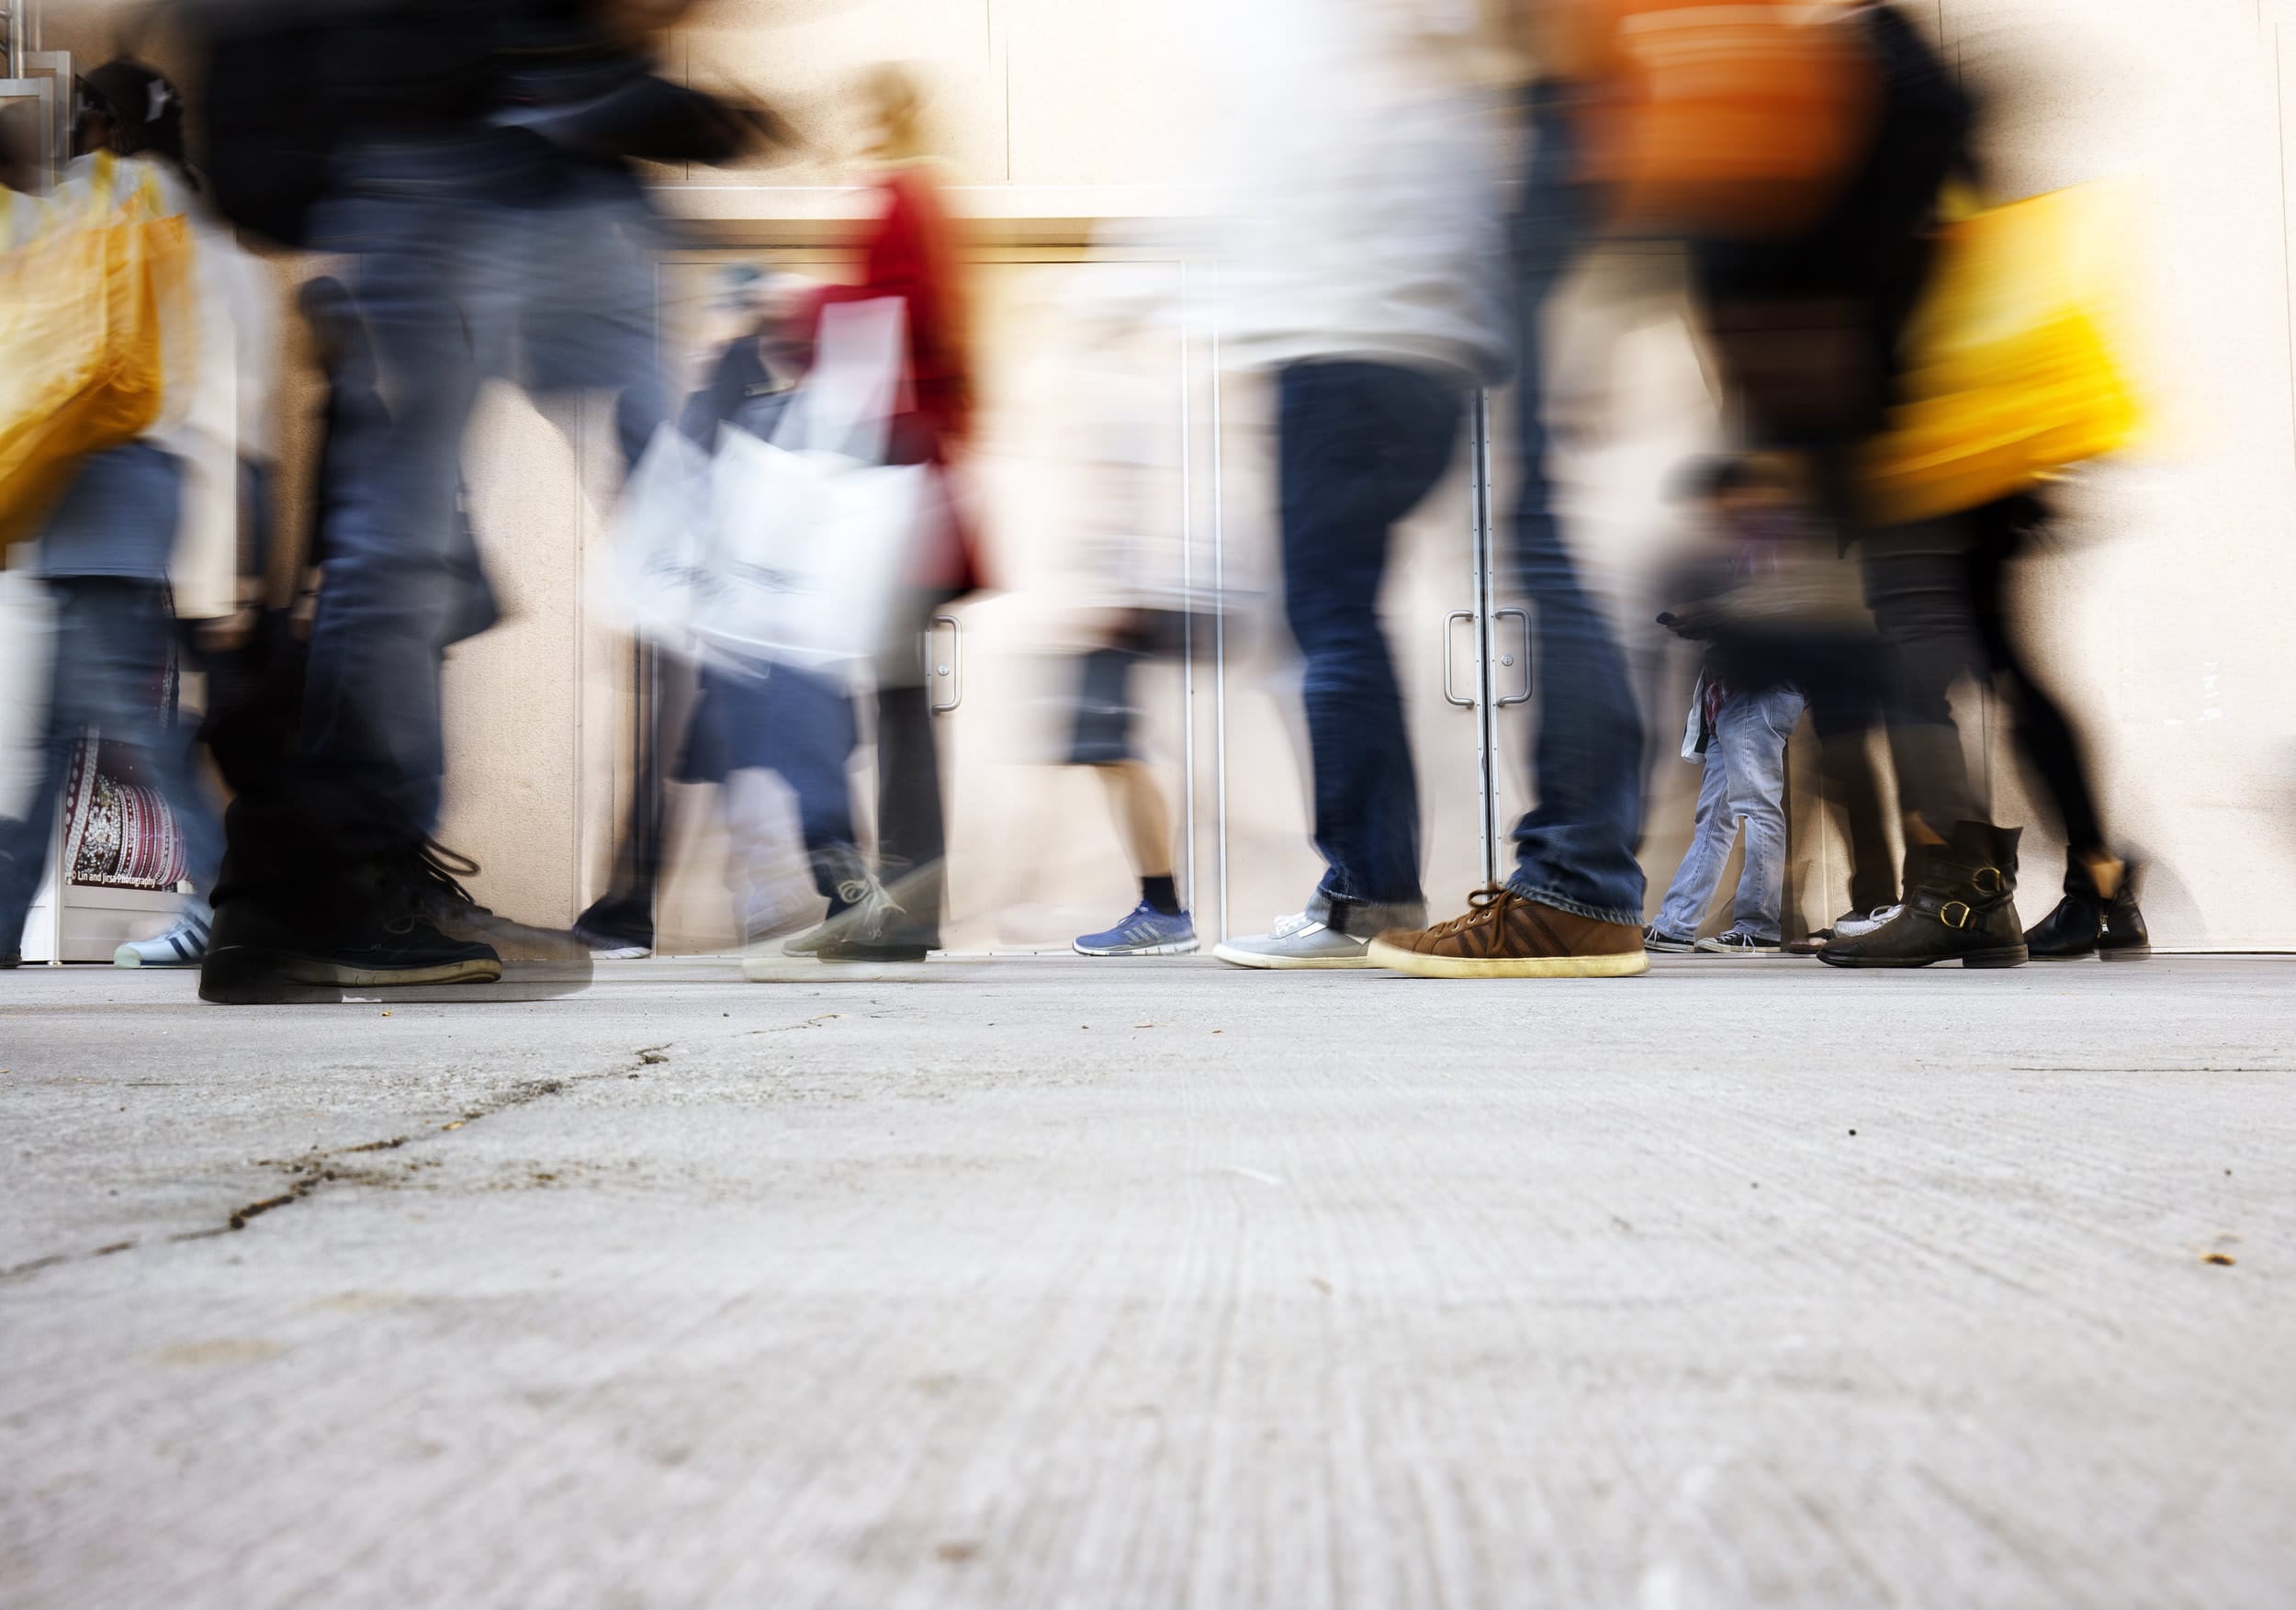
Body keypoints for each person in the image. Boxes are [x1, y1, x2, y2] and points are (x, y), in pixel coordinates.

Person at [186, 0, 779, 1001]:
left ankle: (337, 872)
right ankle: (328, 877)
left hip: (540, 161)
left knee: (670, 514)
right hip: (447, 149)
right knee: (409, 540)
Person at [1207, 0, 1513, 970]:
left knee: (1329, 621)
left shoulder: (1334, 56)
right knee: (1347, 622)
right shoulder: (1445, 70)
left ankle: (1364, 894)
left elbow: (1286, 183)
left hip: (1341, 354)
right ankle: (1371, 883)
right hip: (1429, 364)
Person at [1358, 4, 1656, 978]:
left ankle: (1576, 887)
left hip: (1563, 125)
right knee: (1539, 537)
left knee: (1540, 539)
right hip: (1564, 127)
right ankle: (1581, 879)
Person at [0, 62, 253, 973]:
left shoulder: (117, 198)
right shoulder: (177, 202)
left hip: (104, 482)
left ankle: (230, 896)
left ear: (103, 121)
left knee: (123, 723)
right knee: (61, 725)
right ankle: (0, 914)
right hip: (115, 489)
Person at [1643, 459, 1810, 956]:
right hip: (1727, 696)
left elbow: (1779, 610)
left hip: (1760, 693)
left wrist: (1710, 615)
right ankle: (1675, 924)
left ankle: (1756, 926)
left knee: (1757, 808)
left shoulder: (1773, 543)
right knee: (1714, 817)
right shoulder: (1739, 548)